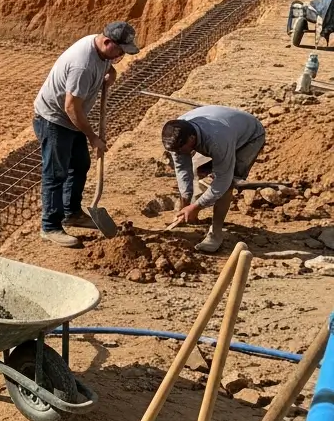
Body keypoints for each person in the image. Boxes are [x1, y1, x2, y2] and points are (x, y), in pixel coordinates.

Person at [32, 22, 140, 247]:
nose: (121, 55)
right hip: (55, 119)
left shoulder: (102, 48)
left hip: (71, 118)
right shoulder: (82, 64)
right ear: (107, 42)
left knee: (80, 164)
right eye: (120, 50)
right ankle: (50, 226)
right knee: (56, 173)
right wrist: (92, 137)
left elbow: (107, 64)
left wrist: (111, 71)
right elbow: (71, 107)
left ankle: (72, 213)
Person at [162, 106, 266, 253]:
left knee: (228, 183)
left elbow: (223, 181)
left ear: (191, 139)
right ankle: (190, 211)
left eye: (181, 149)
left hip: (250, 136)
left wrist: (196, 207)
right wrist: (185, 202)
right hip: (224, 129)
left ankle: (216, 234)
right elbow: (182, 169)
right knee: (199, 169)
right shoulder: (176, 135)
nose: (177, 153)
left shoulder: (217, 142)